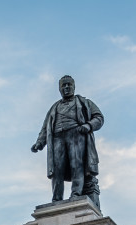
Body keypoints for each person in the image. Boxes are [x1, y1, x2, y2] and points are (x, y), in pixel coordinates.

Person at [31, 75, 104, 209]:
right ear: (59, 89)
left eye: (69, 85)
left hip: (76, 134)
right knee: (57, 169)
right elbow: (45, 127)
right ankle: (56, 198)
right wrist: (40, 143)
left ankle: (76, 194)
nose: (66, 88)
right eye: (63, 86)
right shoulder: (55, 107)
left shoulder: (83, 102)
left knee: (77, 164)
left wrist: (88, 125)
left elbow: (99, 118)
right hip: (57, 138)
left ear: (74, 86)